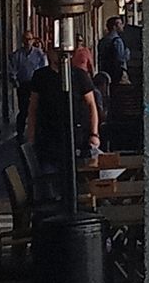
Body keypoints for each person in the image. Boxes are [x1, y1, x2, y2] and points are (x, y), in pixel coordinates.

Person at [27, 47, 99, 200]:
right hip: (48, 139)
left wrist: (93, 134)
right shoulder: (41, 76)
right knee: (49, 184)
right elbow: (33, 107)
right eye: (55, 51)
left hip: (76, 139)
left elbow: (91, 104)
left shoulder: (79, 75)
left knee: (80, 181)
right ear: (48, 53)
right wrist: (31, 136)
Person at [7, 32, 47, 138]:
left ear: (33, 40)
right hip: (23, 84)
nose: (27, 42)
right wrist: (15, 80)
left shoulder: (39, 54)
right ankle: (20, 133)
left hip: (36, 84)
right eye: (25, 39)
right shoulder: (17, 55)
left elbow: (44, 67)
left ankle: (37, 131)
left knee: (37, 108)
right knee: (23, 109)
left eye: (29, 39)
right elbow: (12, 69)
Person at [97, 16, 129, 85]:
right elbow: (120, 59)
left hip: (104, 70)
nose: (122, 26)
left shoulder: (103, 40)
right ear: (114, 27)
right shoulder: (117, 41)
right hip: (116, 73)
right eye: (120, 24)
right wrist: (126, 53)